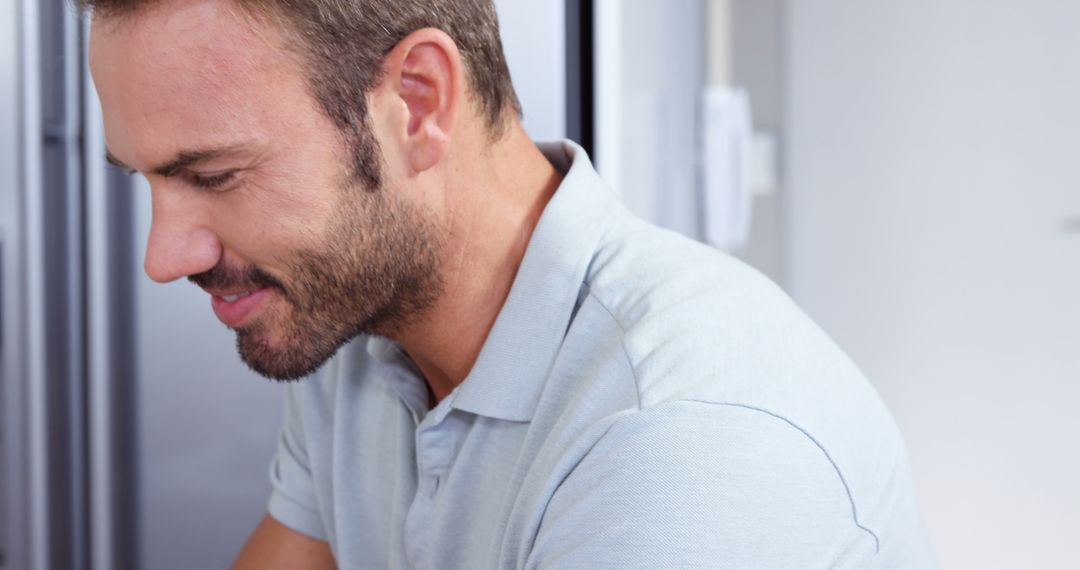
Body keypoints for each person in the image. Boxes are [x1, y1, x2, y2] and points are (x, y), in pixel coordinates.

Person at [84, 0, 935, 567]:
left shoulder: (677, 441)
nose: (165, 257)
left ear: (417, 102)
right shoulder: (360, 336)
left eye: (218, 175)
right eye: (145, 180)